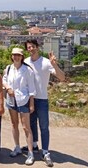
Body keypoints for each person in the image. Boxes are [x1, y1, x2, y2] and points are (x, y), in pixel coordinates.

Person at [24, 39, 66, 167]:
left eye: (32, 47)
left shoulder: (46, 62)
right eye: (28, 47)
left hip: (42, 99)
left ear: (37, 47)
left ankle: (45, 151)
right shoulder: (25, 62)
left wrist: (55, 65)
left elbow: (62, 77)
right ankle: (35, 145)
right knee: (31, 124)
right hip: (29, 98)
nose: (31, 49)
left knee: (43, 126)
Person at [3, 47, 36, 165]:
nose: (16, 57)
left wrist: (31, 103)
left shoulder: (27, 70)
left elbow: (32, 88)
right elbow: (4, 80)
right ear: (11, 56)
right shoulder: (8, 68)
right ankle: (17, 146)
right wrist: (8, 88)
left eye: (18, 55)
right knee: (13, 124)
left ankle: (30, 152)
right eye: (14, 55)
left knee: (26, 127)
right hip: (11, 100)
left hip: (23, 100)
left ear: (22, 57)